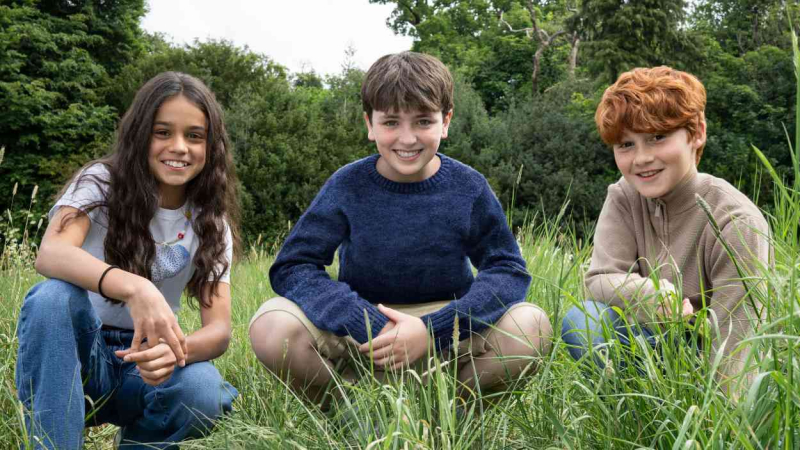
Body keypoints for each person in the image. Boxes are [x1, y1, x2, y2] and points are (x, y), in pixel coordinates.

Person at [249, 51, 552, 410]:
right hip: (361, 334)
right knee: (271, 325)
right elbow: (293, 266)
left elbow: (507, 269)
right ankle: (353, 414)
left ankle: (449, 414)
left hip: (447, 333)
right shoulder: (347, 185)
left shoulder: (468, 187)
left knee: (531, 324)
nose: (407, 139)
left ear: (445, 121)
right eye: (391, 122)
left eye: (423, 121)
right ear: (370, 124)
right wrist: (364, 320)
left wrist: (433, 330)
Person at [16, 72, 239, 449]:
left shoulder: (211, 221)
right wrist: (136, 288)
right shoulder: (100, 182)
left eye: (194, 136)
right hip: (76, 350)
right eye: (162, 132)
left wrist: (176, 350)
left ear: (211, 146)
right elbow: (51, 252)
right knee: (52, 298)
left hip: (146, 363)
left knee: (203, 389)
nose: (179, 147)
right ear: (139, 134)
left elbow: (218, 331)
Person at [561, 66, 769, 391]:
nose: (642, 158)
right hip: (649, 341)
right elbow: (599, 279)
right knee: (582, 320)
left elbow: (738, 340)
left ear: (697, 133)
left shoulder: (736, 220)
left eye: (657, 137)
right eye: (626, 144)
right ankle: (631, 414)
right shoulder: (624, 196)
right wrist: (651, 295)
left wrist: (722, 414)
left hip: (710, 355)